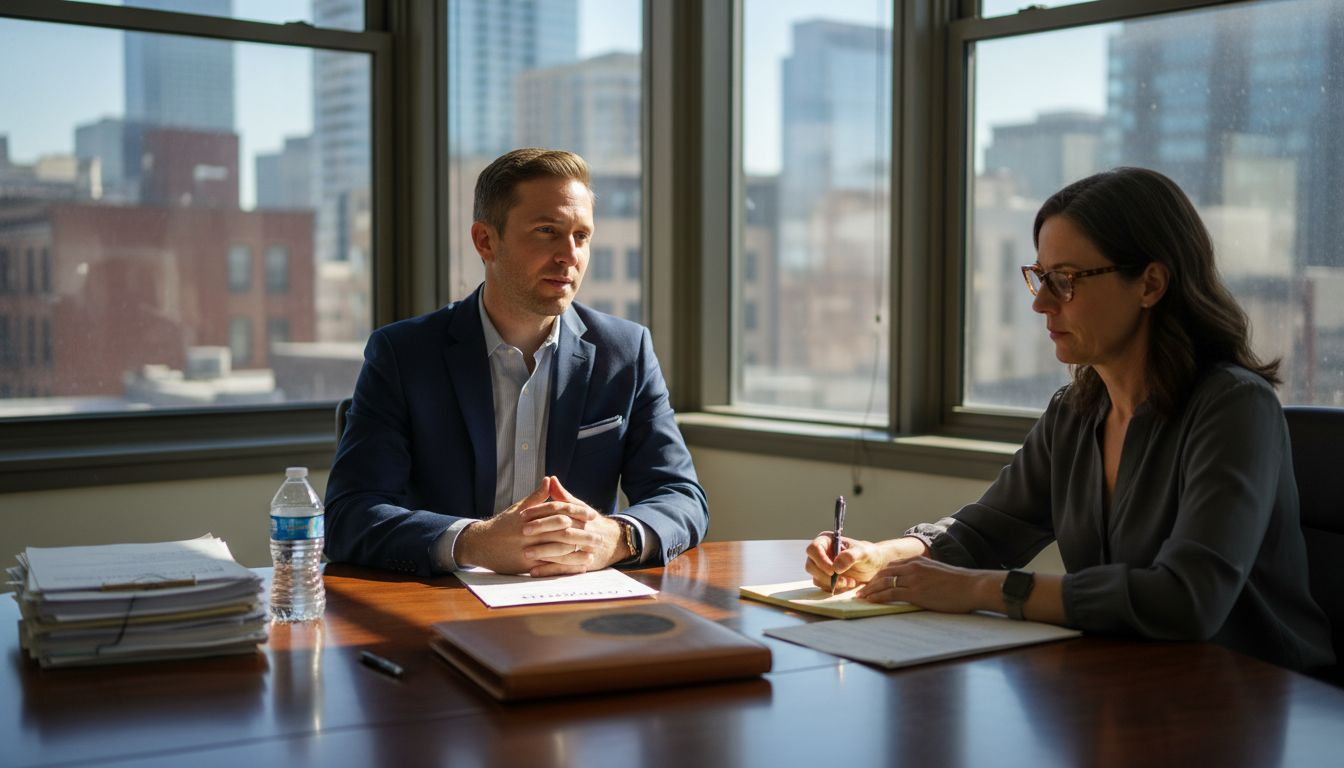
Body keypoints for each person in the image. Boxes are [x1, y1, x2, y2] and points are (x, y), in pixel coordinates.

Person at [806, 167, 1333, 672]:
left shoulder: (1235, 408)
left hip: (1260, 702)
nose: (1041, 304)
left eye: (1065, 280)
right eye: (1040, 277)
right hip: (1128, 686)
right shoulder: (1075, 412)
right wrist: (884, 556)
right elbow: (984, 532)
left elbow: (1186, 598)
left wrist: (981, 590)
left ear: (1150, 284)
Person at [326, 148, 708, 578]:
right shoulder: (402, 354)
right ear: (486, 241)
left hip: (577, 606)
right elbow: (349, 516)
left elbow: (681, 496)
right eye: (547, 231)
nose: (570, 255)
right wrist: (473, 543)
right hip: (442, 607)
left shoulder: (626, 352)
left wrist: (617, 538)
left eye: (581, 236)